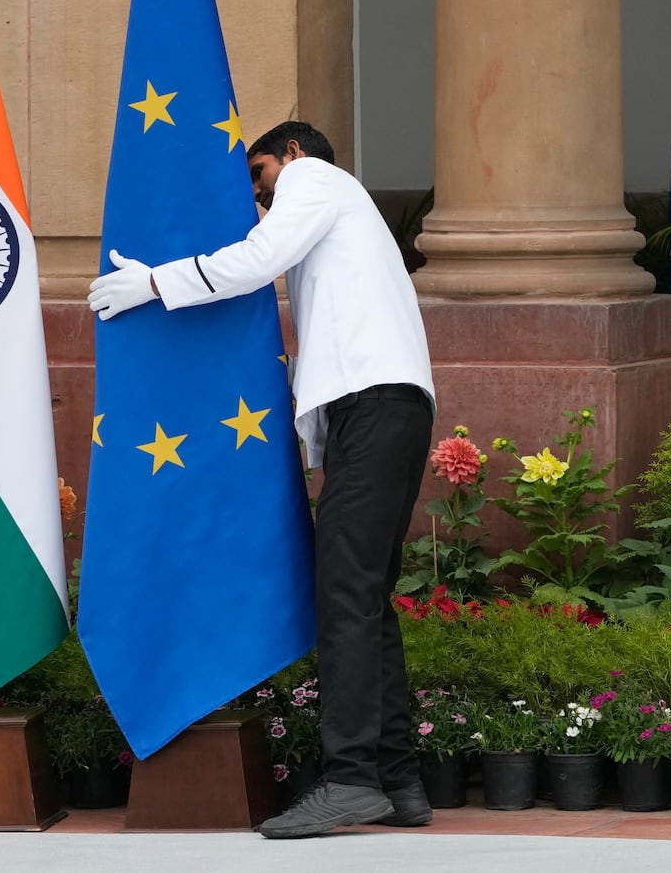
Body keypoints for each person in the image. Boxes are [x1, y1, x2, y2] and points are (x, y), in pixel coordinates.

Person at [88, 120, 436, 839]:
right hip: (382, 407)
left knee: (344, 596)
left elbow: (256, 260)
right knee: (365, 597)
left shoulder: (316, 181)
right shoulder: (342, 210)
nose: (256, 191)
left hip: (373, 405)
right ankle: (397, 780)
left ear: (296, 154)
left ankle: (349, 781)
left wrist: (155, 281)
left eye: (260, 172)